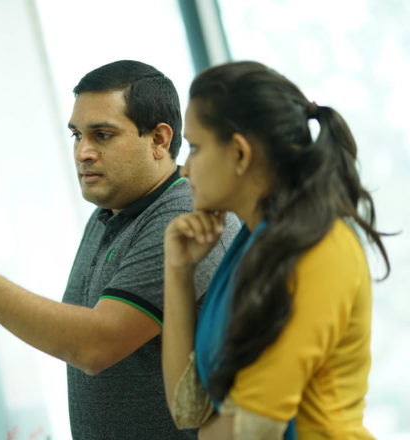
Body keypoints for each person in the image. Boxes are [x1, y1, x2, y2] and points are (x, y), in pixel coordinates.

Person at [0, 60, 240, 439]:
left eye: (103, 135)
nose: (83, 153)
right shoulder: (109, 212)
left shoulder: (183, 221)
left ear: (158, 139)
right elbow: (77, 336)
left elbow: (94, 346)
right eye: (77, 135)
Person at [161, 60, 391, 439]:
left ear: (239, 153)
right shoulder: (254, 244)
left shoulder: (320, 246)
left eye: (195, 148)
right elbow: (190, 408)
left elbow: (255, 427)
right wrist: (178, 270)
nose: (184, 169)